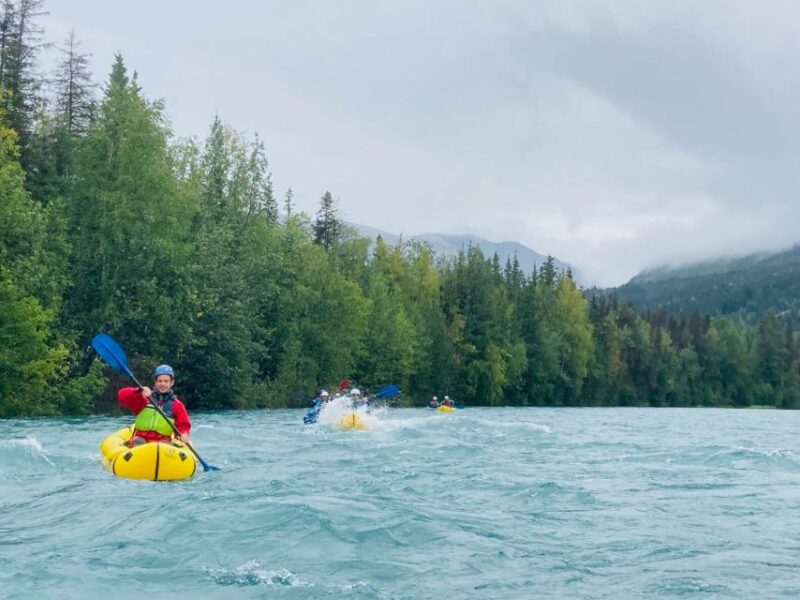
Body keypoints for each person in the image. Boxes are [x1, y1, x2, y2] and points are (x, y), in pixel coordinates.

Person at [117, 364, 191, 446]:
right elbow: (121, 396)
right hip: (140, 440)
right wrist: (138, 390)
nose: (162, 384)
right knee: (138, 442)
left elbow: (183, 425)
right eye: (160, 381)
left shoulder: (177, 405)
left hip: (163, 443)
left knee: (165, 446)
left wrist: (184, 433)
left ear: (172, 382)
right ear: (155, 382)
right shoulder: (144, 398)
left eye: (166, 381)